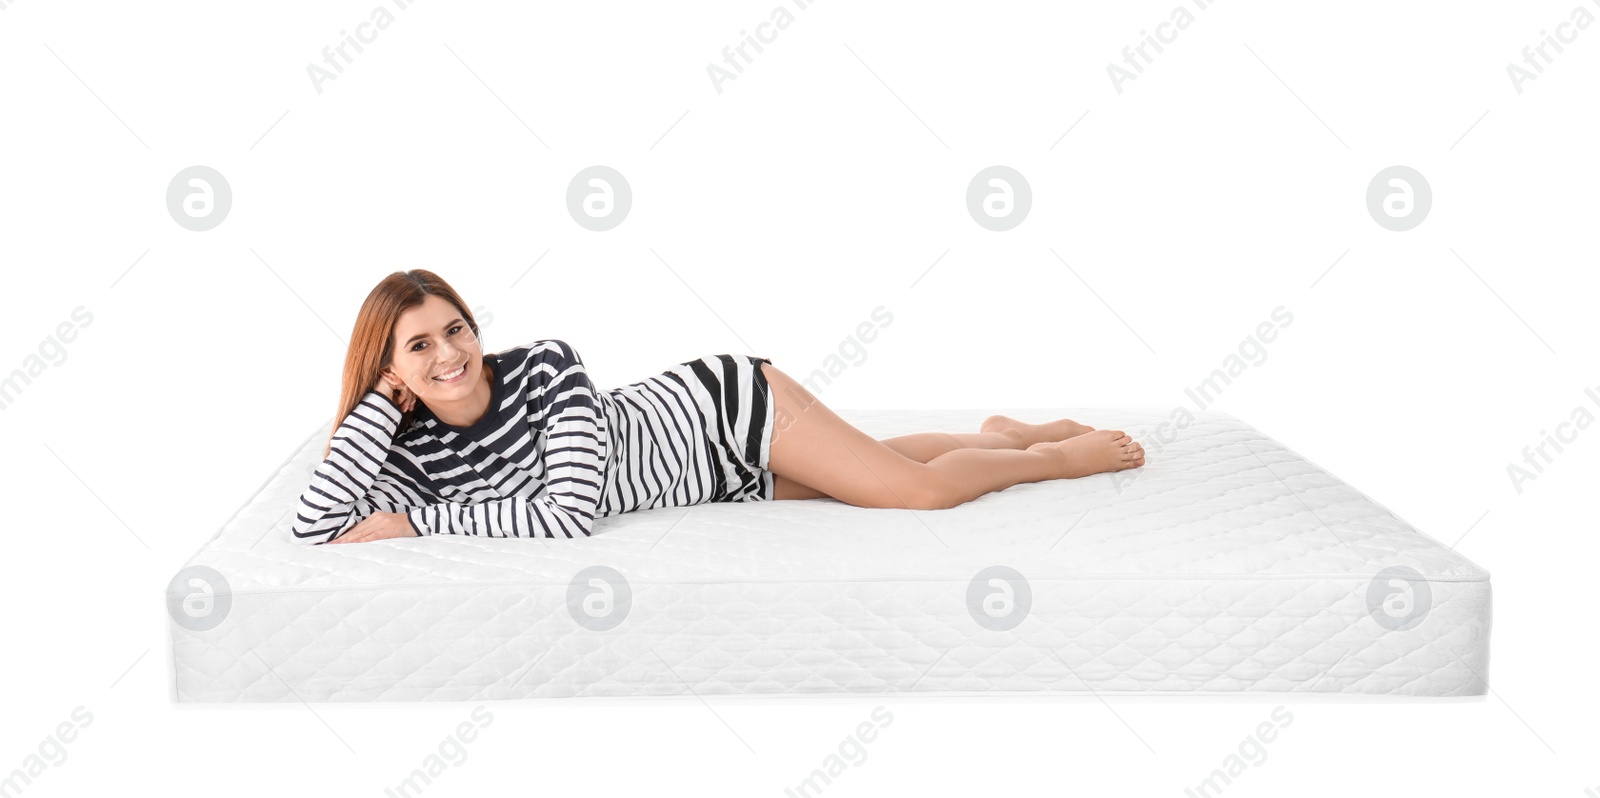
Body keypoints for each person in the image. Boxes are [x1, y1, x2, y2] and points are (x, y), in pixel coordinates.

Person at [291, 269, 1144, 545]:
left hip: (723, 413)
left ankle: (1049, 458)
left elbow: (569, 510)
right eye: (417, 348)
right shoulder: (406, 445)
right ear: (390, 369)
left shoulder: (548, 367)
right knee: (882, 470)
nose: (449, 354)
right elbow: (316, 525)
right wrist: (378, 406)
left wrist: (418, 526)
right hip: (707, 484)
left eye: (455, 329)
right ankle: (1000, 433)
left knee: (914, 495)